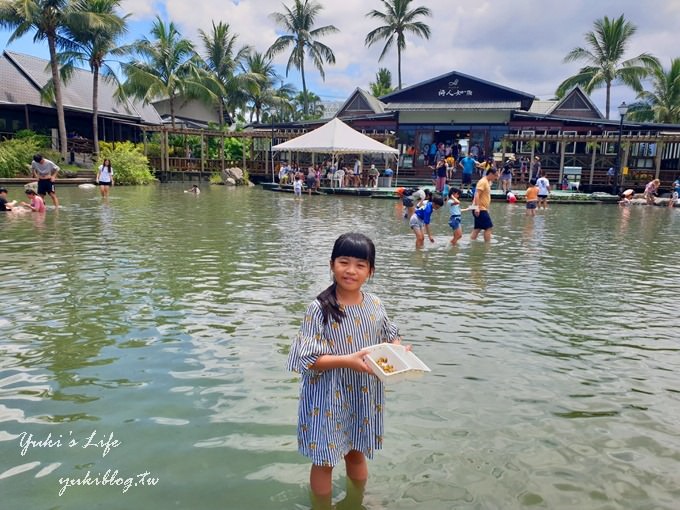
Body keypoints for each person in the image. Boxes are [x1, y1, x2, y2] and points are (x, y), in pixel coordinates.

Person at [286, 232, 406, 507]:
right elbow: (306, 359)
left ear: (370, 271)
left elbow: (390, 335)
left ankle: (357, 500)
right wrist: (348, 360)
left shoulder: (375, 304)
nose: (351, 270)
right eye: (344, 262)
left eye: (360, 265)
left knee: (356, 452)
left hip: (363, 393)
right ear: (332, 265)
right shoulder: (319, 309)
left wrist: (398, 351)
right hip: (327, 396)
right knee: (325, 460)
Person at [470, 168, 498, 242]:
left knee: (477, 228)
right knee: (488, 227)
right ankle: (487, 245)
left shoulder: (487, 182)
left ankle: (471, 242)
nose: (496, 178)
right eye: (495, 176)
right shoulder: (483, 182)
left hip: (481, 208)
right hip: (480, 208)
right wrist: (477, 208)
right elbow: (477, 194)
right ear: (490, 174)